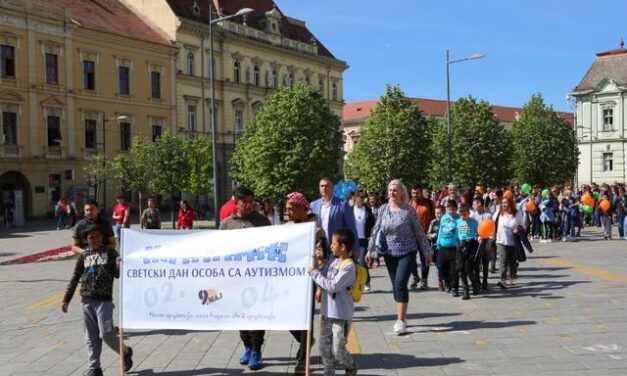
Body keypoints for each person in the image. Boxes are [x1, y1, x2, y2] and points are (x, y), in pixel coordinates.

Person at [61, 224, 133, 376]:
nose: (94, 240)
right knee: (91, 336)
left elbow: (117, 274)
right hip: (86, 301)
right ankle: (95, 368)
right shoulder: (84, 256)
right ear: (86, 240)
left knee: (107, 334)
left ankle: (126, 352)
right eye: (91, 237)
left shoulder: (110, 252)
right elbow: (75, 277)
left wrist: (119, 265)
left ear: (102, 238)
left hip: (104, 302)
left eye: (97, 236)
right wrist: (66, 298)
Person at [366, 179, 432, 335]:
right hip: (389, 253)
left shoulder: (408, 210)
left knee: (401, 282)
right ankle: (401, 316)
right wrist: (370, 250)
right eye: (390, 190)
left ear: (402, 192)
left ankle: (401, 320)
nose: (392, 193)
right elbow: (376, 230)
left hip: (408, 251)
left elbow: (419, 232)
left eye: (395, 190)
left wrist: (427, 251)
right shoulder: (383, 209)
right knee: (395, 285)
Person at [220, 186, 271, 370]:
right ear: (237, 202)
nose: (250, 205)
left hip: (257, 278)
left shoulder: (263, 221)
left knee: (256, 315)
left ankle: (257, 350)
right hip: (235, 279)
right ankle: (247, 347)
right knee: (240, 315)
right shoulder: (227, 224)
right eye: (245, 202)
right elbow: (218, 249)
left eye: (252, 202)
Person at [285, 191, 328, 374]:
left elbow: (322, 258)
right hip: (287, 282)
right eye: (287, 209)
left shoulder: (316, 231)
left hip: (307, 282)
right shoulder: (286, 228)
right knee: (286, 318)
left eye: (291, 208)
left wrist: (319, 285)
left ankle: (303, 362)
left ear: (303, 209)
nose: (288, 212)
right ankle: (306, 342)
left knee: (304, 320)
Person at [309, 228, 358, 376]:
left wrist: (314, 273)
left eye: (333, 243)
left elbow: (332, 285)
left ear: (342, 247)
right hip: (326, 313)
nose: (330, 246)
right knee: (324, 347)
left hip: (341, 316)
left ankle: (351, 365)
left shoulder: (349, 266)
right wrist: (316, 266)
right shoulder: (333, 261)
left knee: (338, 349)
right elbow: (323, 277)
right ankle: (328, 372)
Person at [310, 178, 359, 257]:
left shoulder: (343, 204)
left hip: (338, 248)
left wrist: (355, 248)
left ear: (332, 188)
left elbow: (351, 227)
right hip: (320, 249)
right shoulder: (313, 205)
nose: (324, 188)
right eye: (322, 186)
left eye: (327, 186)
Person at [494, 196, 524, 289]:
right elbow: (492, 223)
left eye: (506, 202)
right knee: (503, 260)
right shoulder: (498, 213)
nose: (504, 204)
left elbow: (521, 226)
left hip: (513, 241)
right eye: (502, 203)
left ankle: (512, 276)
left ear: (510, 203)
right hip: (500, 240)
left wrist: (517, 229)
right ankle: (503, 280)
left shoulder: (516, 213)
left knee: (512, 261)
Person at [409, 185, 435, 290]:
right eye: (413, 193)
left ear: (421, 192)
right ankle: (415, 276)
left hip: (425, 236)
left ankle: (424, 280)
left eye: (417, 193)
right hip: (411, 236)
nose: (415, 195)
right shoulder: (408, 204)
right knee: (410, 258)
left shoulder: (429, 203)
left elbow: (434, 218)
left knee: (425, 259)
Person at [456, 204, 479, 300]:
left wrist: (476, 239)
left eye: (464, 213)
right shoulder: (457, 222)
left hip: (471, 246)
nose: (462, 215)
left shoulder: (474, 222)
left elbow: (478, 234)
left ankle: (475, 285)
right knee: (461, 270)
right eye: (460, 212)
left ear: (468, 213)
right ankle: (466, 291)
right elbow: (456, 235)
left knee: (468, 270)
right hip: (461, 246)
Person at [353, 190, 375, 291]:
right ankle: (354, 285)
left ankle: (367, 282)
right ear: (355, 198)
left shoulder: (367, 209)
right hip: (352, 240)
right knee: (352, 263)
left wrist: (371, 235)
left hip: (363, 240)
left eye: (363, 197)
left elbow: (372, 223)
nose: (362, 199)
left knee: (362, 262)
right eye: (360, 197)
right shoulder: (350, 209)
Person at [436, 200, 459, 295]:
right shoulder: (443, 218)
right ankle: (447, 282)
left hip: (454, 248)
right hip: (443, 247)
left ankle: (454, 287)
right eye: (449, 209)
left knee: (453, 269)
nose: (451, 211)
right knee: (441, 266)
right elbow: (440, 231)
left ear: (456, 209)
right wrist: (438, 243)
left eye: (453, 209)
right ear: (446, 209)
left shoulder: (459, 219)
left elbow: (461, 231)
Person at [470, 197, 493, 292]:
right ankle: (477, 281)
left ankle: (485, 281)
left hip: (486, 240)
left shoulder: (488, 215)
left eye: (474, 204)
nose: (473, 206)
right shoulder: (472, 215)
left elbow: (492, 229)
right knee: (476, 263)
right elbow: (471, 229)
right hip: (476, 241)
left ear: (479, 203)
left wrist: (490, 242)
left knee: (485, 262)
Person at [427, 205, 443, 290]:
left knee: (444, 265)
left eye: (439, 213)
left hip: (444, 247)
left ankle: (445, 279)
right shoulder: (433, 222)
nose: (438, 214)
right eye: (436, 213)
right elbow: (428, 234)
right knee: (438, 265)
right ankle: (440, 281)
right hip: (435, 247)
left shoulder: (445, 222)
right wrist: (432, 235)